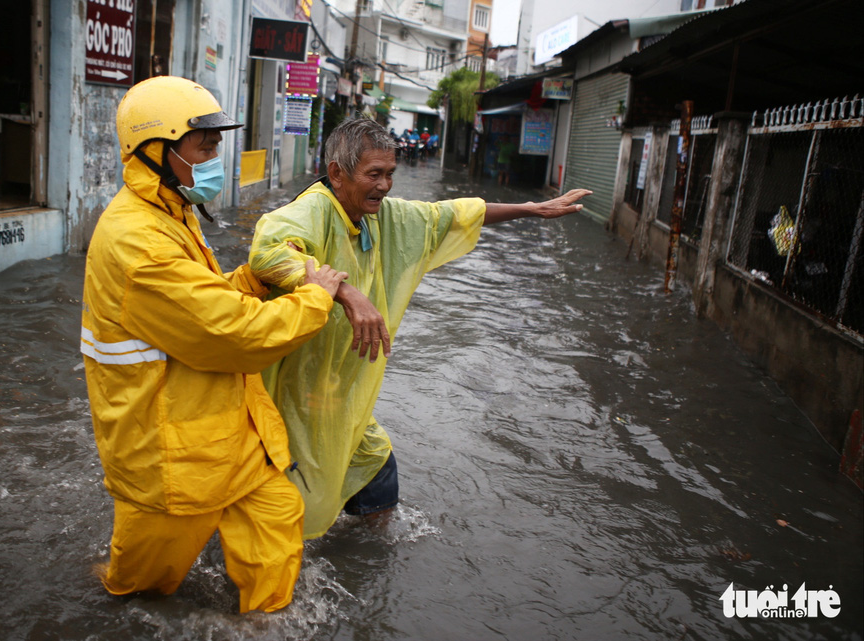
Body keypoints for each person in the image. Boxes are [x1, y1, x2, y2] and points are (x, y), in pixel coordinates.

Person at [248, 117, 591, 539]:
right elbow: (268, 253)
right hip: (298, 394)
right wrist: (346, 292)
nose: (385, 185)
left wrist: (532, 210)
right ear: (337, 173)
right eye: (373, 174)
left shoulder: (381, 218)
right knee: (289, 507)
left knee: (377, 471)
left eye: (390, 174)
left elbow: (450, 215)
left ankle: (367, 561)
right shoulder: (311, 210)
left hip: (345, 395)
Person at [80, 76, 348, 613]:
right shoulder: (137, 241)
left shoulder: (168, 212)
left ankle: (262, 625)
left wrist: (248, 282)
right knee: (136, 594)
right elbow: (233, 335)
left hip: (228, 438)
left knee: (276, 534)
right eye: (205, 144)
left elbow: (195, 309)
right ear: (156, 150)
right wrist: (315, 299)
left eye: (217, 144)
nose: (216, 155)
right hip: (171, 462)